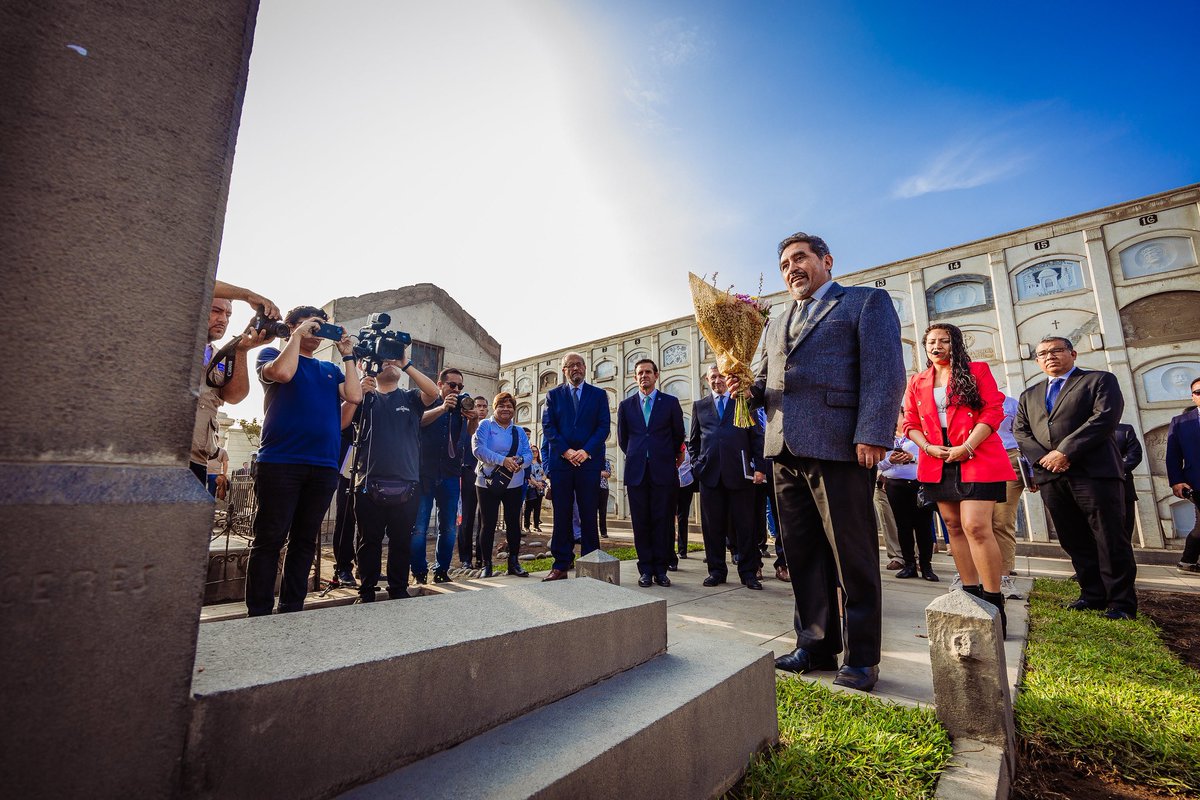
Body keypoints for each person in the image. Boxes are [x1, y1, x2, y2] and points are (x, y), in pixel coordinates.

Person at [731, 231, 905, 692]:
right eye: (785, 262)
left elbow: (885, 373)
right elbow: (768, 383)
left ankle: (863, 657)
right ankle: (815, 644)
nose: (792, 268)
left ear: (826, 261)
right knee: (804, 554)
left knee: (853, 554)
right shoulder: (776, 320)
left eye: (801, 258)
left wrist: (873, 434)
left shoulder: (865, 303)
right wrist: (746, 388)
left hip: (841, 445)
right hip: (784, 449)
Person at [246, 306, 363, 616]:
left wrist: (348, 355)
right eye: (310, 325)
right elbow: (283, 374)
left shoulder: (329, 369)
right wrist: (296, 336)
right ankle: (257, 611)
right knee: (270, 538)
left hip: (323, 465)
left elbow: (354, 396)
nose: (316, 331)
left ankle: (291, 608)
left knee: (304, 540)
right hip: (281, 461)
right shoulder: (271, 355)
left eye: (320, 326)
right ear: (293, 327)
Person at [1014, 336, 1138, 620]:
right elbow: (1021, 432)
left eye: (1057, 350)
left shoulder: (1099, 381)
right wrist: (1045, 459)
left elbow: (1104, 418)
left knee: (1109, 537)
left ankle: (1121, 603)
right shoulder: (1029, 394)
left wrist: (1065, 451)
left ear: (1072, 353)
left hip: (1093, 473)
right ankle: (1092, 594)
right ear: (1036, 361)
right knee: (1073, 538)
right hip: (1051, 477)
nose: (1050, 356)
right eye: (1042, 353)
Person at [903, 325, 1015, 633]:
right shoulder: (917, 380)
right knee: (953, 526)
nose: (936, 346)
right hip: (936, 458)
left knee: (976, 526)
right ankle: (970, 594)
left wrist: (967, 446)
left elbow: (994, 411)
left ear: (955, 344)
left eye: (943, 340)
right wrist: (926, 447)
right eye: (931, 342)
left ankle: (994, 601)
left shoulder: (977, 370)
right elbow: (910, 421)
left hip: (977, 455)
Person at [345, 356, 439, 602]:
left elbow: (434, 392)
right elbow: (343, 420)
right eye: (383, 361)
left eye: (393, 361)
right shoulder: (364, 398)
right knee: (369, 541)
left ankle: (398, 589)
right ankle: (366, 591)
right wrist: (358, 392)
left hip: (407, 485)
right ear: (371, 369)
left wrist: (406, 363)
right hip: (368, 483)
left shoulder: (410, 398)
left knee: (401, 541)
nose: (389, 363)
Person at [689, 365, 765, 590]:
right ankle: (716, 571)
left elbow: (756, 437)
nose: (717, 381)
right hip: (710, 476)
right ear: (707, 380)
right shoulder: (699, 406)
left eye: (721, 376)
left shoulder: (741, 401)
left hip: (740, 474)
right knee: (713, 528)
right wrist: (697, 465)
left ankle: (748, 572)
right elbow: (693, 442)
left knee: (745, 526)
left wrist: (759, 467)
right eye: (713, 377)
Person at [541, 352, 611, 581]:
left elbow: (603, 428)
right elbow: (549, 427)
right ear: (564, 370)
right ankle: (561, 564)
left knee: (589, 513)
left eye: (579, 364)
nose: (575, 369)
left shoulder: (599, 395)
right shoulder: (552, 396)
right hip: (562, 463)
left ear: (585, 367)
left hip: (588, 463)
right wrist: (566, 451)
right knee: (562, 515)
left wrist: (585, 451)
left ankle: (591, 563)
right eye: (570, 366)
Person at [191, 293, 274, 484]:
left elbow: (235, 396)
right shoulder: (175, 342)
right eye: (216, 311)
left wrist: (241, 351)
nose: (223, 319)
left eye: (228, 314)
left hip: (198, 457)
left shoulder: (221, 356)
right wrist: (247, 295)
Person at [618, 358, 686, 588]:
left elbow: (678, 435)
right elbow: (623, 439)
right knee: (641, 522)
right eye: (639, 373)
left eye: (648, 372)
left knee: (662, 521)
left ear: (656, 375)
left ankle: (661, 570)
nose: (644, 376)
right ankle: (645, 569)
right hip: (637, 472)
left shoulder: (670, 402)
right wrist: (640, 454)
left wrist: (665, 455)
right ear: (635, 377)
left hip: (663, 471)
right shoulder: (626, 406)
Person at [411, 368, 479, 584]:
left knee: (448, 526)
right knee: (419, 526)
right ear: (440, 384)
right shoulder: (425, 399)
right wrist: (442, 408)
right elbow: (417, 421)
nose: (457, 390)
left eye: (460, 387)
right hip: (424, 472)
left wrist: (473, 418)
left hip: (450, 473)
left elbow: (469, 434)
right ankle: (419, 572)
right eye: (452, 385)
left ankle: (442, 571)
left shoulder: (460, 406)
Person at [474, 393, 534, 577]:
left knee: (513, 524)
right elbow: (478, 450)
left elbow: (529, 454)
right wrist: (503, 461)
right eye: (502, 405)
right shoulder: (485, 425)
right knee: (488, 524)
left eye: (509, 406)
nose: (506, 409)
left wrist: (520, 461)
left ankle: (514, 563)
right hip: (487, 483)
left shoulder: (518, 431)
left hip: (513, 484)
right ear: (495, 407)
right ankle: (486, 565)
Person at [879, 411, 938, 582]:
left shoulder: (918, 435)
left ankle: (926, 566)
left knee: (924, 526)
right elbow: (880, 463)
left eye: (896, 414)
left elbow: (931, 456)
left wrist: (912, 458)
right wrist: (892, 460)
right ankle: (909, 565)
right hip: (895, 485)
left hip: (918, 484)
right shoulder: (886, 438)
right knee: (902, 526)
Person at [990, 394, 1026, 598]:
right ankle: (971, 576)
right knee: (975, 523)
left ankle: (1004, 577)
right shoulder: (963, 399)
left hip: (1008, 456)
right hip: (974, 457)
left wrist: (1030, 470)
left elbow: (1023, 435)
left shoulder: (1010, 403)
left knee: (1002, 520)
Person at [1166, 376, 1200, 574]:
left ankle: (1187, 561)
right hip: (1196, 482)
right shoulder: (1181, 422)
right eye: (1198, 392)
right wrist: (1176, 480)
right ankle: (1187, 561)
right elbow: (1173, 455)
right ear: (1192, 396)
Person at [459, 396, 489, 568]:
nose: (482, 409)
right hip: (468, 473)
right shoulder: (465, 427)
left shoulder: (491, 428)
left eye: (485, 406)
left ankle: (481, 557)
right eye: (478, 406)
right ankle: (465, 559)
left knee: (484, 518)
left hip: (487, 477)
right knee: (467, 518)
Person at [1113, 422, 1144, 544]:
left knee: (1125, 533)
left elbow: (1135, 456)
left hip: (1124, 489)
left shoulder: (1125, 430)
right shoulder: (1081, 431)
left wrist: (1110, 470)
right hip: (1094, 492)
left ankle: (1126, 561)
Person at [671, 444, 696, 570]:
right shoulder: (671, 445)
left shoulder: (688, 448)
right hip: (673, 483)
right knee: (670, 516)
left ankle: (682, 549)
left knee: (683, 516)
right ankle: (670, 551)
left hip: (687, 484)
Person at [524, 444, 547, 532]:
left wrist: (541, 482)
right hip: (531, 487)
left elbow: (545, 473)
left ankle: (536, 525)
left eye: (536, 451)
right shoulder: (528, 464)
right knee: (528, 507)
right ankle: (526, 526)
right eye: (532, 451)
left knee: (537, 507)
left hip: (540, 488)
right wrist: (536, 483)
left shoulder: (541, 463)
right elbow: (528, 475)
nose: (535, 453)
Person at [598, 457, 613, 538]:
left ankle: (603, 532)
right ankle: (591, 532)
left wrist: (597, 472)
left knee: (602, 511)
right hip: (591, 489)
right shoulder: (590, 461)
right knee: (590, 512)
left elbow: (608, 474)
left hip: (603, 489)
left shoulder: (606, 461)